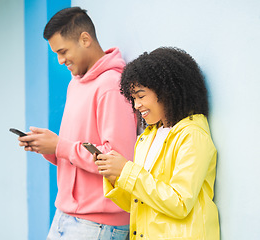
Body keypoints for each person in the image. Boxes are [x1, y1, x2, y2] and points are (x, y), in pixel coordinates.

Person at [18, 7, 137, 240]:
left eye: (63, 51)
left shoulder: (111, 86)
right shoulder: (76, 84)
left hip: (99, 224)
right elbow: (76, 152)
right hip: (65, 215)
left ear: (85, 39)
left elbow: (117, 159)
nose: (60, 61)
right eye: (56, 54)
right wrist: (48, 147)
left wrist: (60, 146)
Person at [95, 47, 220, 239]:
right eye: (133, 98)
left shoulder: (193, 136)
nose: (136, 105)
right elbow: (139, 202)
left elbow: (180, 203)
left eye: (141, 96)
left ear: (167, 91)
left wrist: (127, 171)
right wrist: (116, 176)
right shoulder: (147, 137)